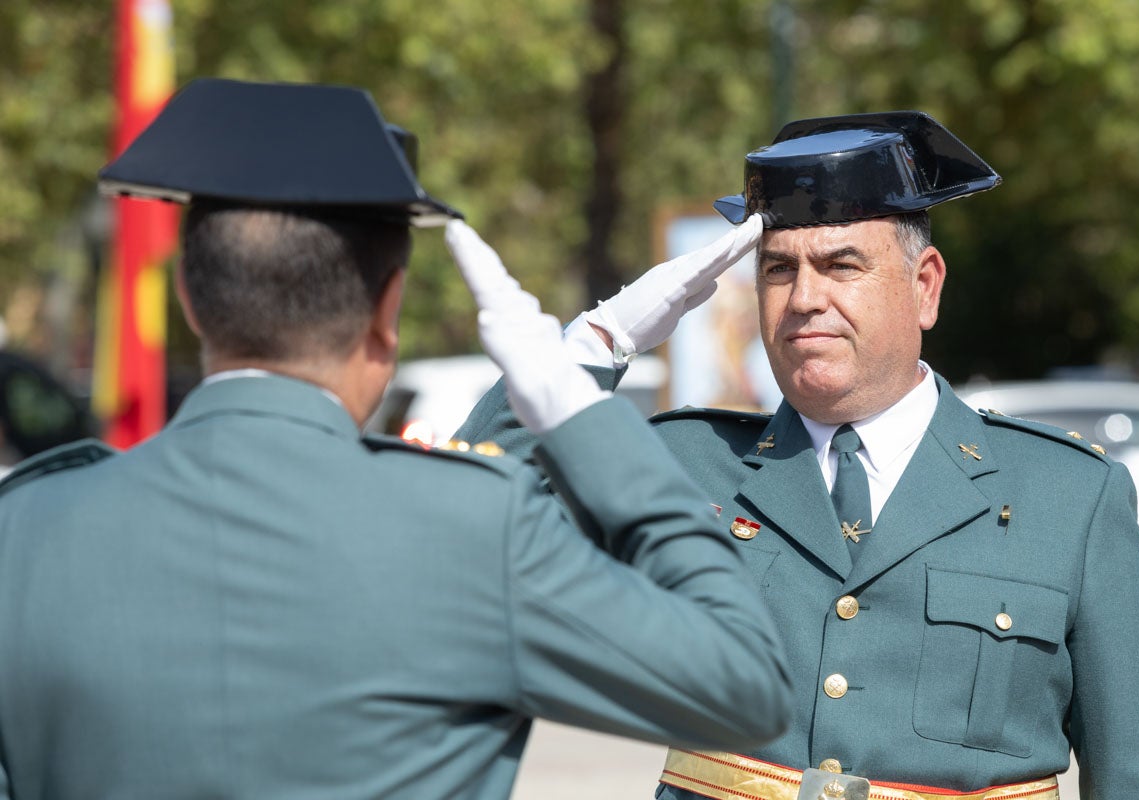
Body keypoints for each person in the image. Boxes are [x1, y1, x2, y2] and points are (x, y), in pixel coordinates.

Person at [0, 78, 794, 800]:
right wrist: (577, 409)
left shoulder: (24, 531)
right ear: (388, 312)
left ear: (188, 297)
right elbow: (746, 683)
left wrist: (594, 350)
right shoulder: (473, 531)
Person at [456, 111, 1139, 799]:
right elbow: (466, 537)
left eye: (842, 266)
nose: (804, 297)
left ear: (925, 288)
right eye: (779, 269)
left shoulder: (1067, 497)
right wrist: (598, 342)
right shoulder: (684, 461)